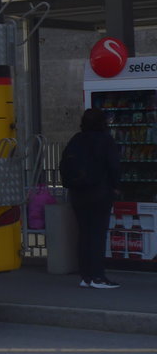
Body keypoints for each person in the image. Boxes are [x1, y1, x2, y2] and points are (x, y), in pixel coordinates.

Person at [60, 107, 123, 289]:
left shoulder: (76, 139)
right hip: (99, 193)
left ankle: (86, 277)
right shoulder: (105, 140)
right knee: (97, 235)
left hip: (78, 194)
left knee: (84, 234)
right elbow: (113, 166)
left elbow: (64, 164)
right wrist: (116, 187)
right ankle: (98, 277)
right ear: (102, 122)